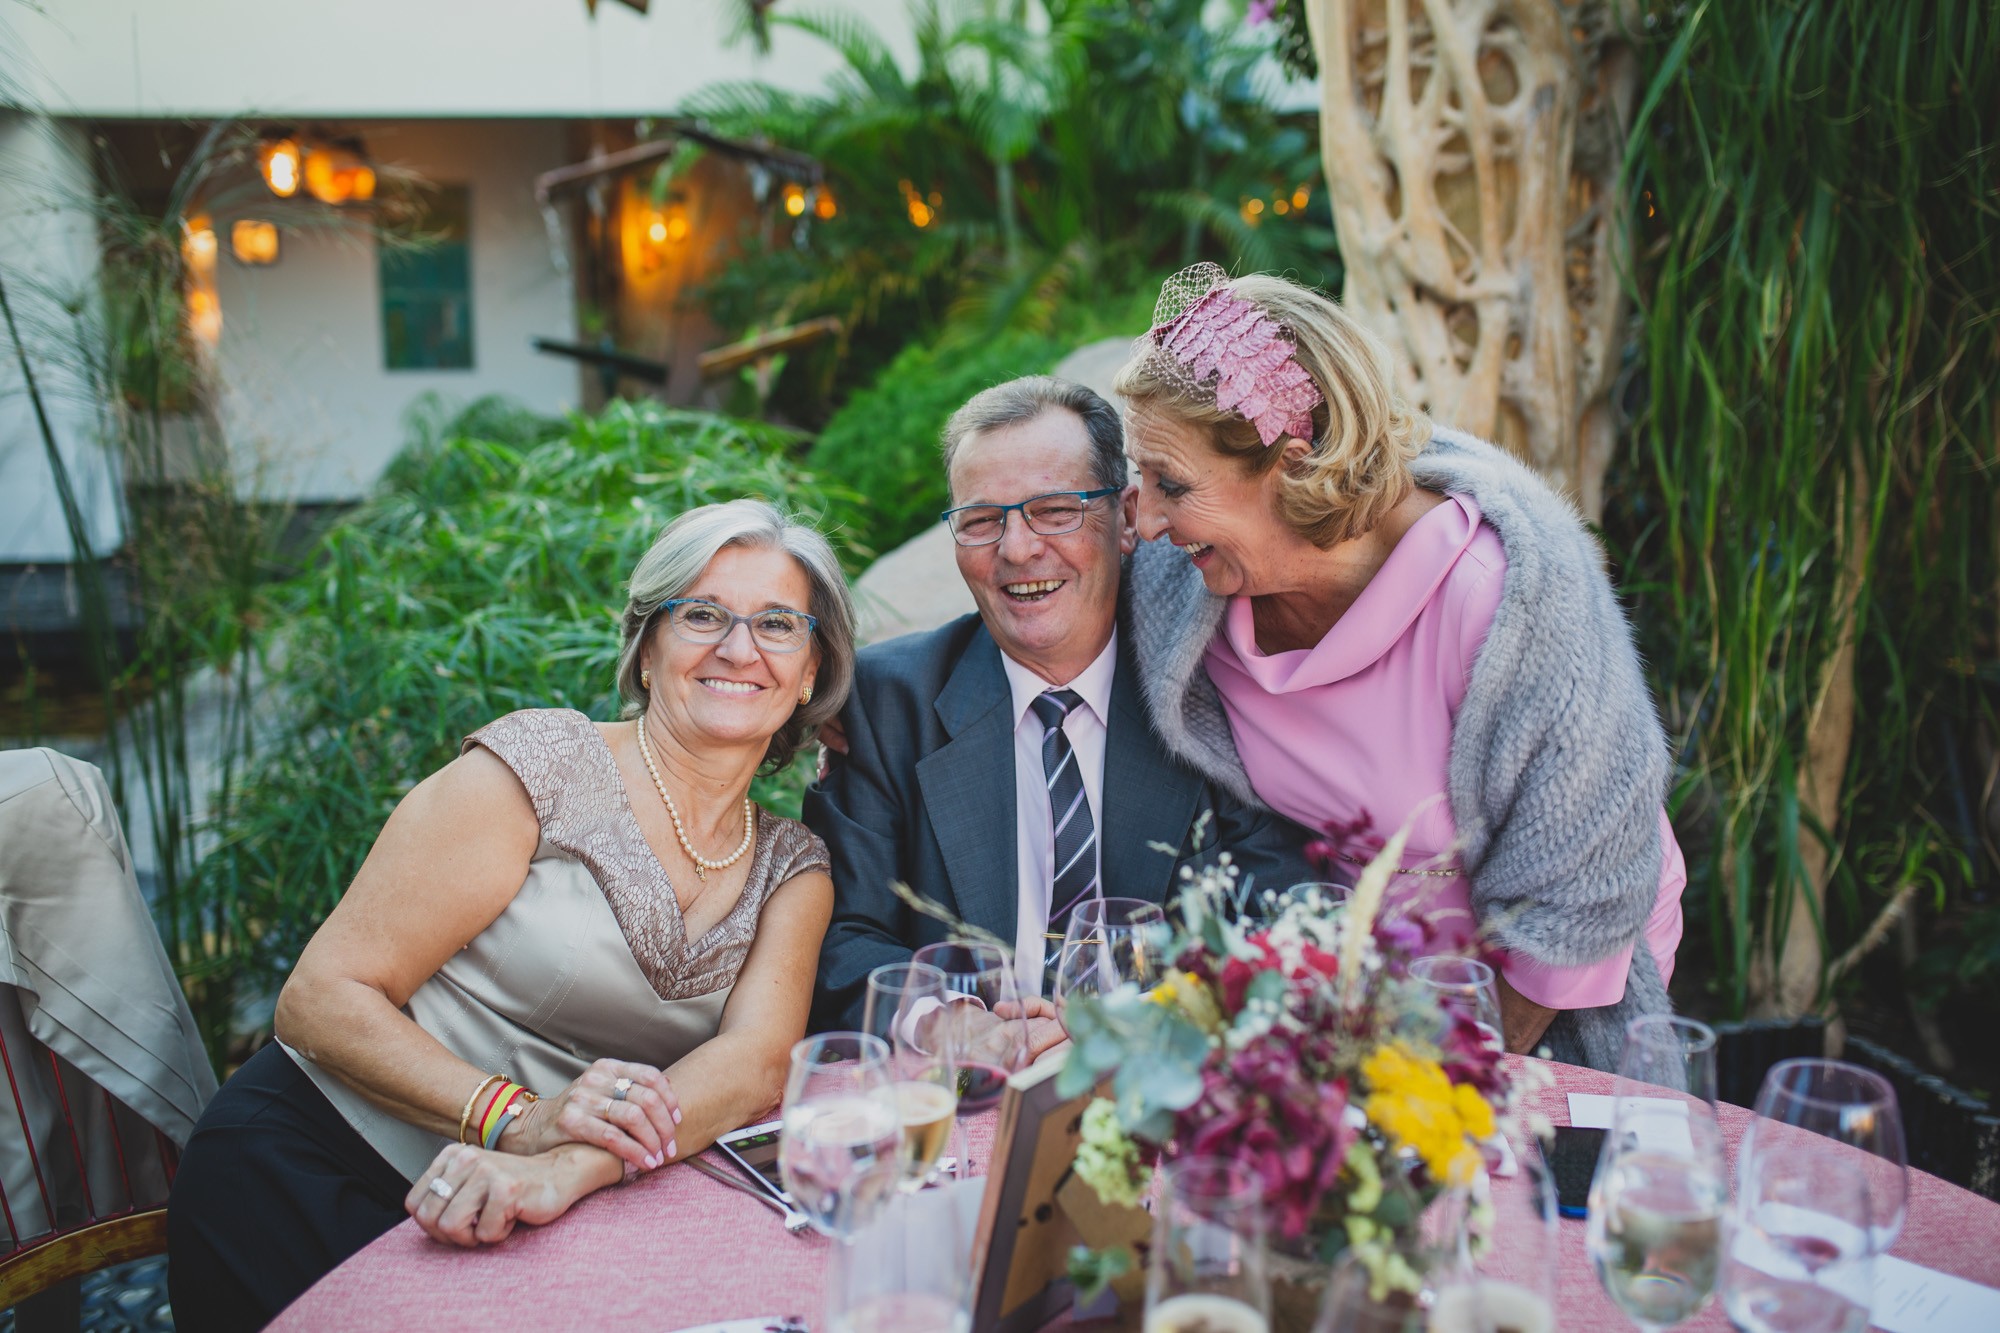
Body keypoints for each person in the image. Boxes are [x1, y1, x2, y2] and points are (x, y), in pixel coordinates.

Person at [167, 500, 853, 1330]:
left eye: (777, 624)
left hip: (521, 1210)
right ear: (647, 649)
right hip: (313, 1165)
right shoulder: (543, 768)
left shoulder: (790, 867)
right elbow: (318, 1000)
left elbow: (753, 1066)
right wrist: (519, 1121)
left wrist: (562, 1169)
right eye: (702, 614)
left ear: (811, 670)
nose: (739, 648)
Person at [1113, 265, 1686, 1072]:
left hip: (1535, 987)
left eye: (1169, 483)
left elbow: (1575, 900)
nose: (1141, 520)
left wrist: (1438, 1091)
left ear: (1293, 465)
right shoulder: (1195, 580)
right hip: (1350, 1001)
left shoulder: (1500, 599)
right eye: (1137, 476)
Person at [806, 376, 1312, 1035]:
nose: (1017, 549)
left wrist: (1133, 1028)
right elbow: (841, 938)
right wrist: (945, 1025)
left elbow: (1281, 909)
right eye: (981, 521)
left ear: (1126, 519)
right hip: (969, 1078)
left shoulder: (1214, 682)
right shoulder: (884, 703)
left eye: (1054, 511)